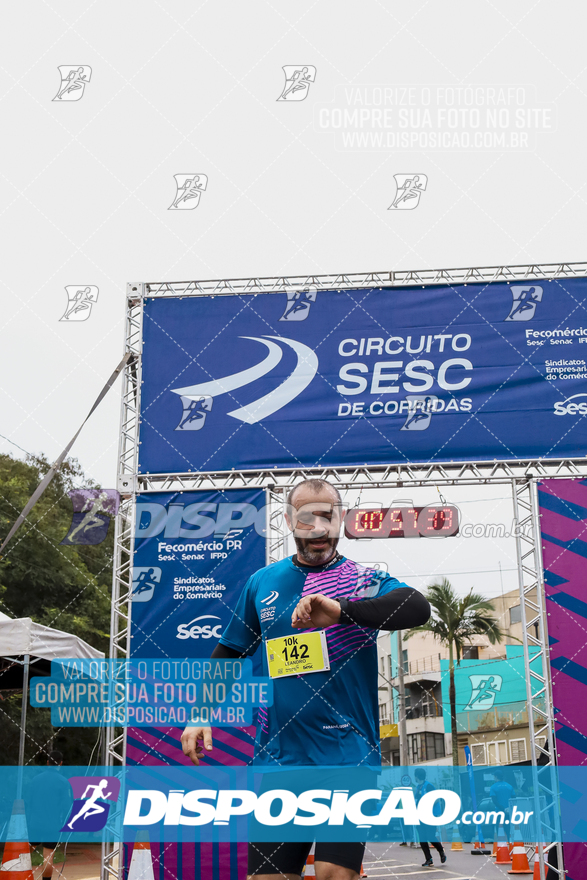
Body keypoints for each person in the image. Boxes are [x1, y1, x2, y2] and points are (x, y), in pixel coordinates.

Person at [181, 478, 431, 880]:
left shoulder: (361, 582)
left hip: (347, 758)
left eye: (328, 515)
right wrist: (199, 713)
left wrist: (340, 610)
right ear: (289, 521)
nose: (318, 527)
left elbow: (417, 607)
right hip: (279, 759)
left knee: (334, 873)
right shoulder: (262, 583)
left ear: (341, 520)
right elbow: (230, 651)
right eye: (306, 517)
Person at [413, 768, 447, 868]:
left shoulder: (428, 786)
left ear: (417, 776)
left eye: (415, 775)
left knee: (430, 836)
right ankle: (429, 859)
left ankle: (441, 851)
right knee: (422, 838)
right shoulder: (418, 787)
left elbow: (436, 800)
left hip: (430, 816)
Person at [489, 769, 515, 843]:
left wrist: (503, 809)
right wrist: (509, 808)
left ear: (496, 777)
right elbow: (514, 799)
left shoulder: (493, 787)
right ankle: (510, 845)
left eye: (494, 776)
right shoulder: (509, 786)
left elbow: (494, 801)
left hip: (499, 812)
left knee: (500, 830)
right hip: (509, 812)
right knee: (509, 829)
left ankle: (501, 847)